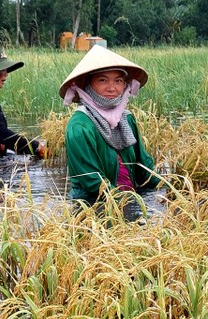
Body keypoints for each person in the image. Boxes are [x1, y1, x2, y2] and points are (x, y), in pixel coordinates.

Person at [60, 46, 158, 202]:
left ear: (125, 85)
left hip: (126, 198)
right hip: (93, 206)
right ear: (88, 84)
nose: (112, 88)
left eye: (118, 81)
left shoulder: (126, 119)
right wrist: (128, 204)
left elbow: (143, 166)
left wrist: (167, 188)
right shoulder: (80, 126)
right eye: (102, 80)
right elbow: (93, 182)